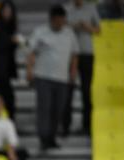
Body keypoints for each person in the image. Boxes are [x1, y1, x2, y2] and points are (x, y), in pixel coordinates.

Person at [27, 5, 79, 151]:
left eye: (62, 20)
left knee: (58, 109)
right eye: (56, 21)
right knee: (45, 108)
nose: (59, 23)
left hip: (62, 78)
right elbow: (31, 52)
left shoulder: (69, 34)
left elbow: (75, 54)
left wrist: (73, 71)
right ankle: (43, 138)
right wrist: (29, 70)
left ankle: (52, 137)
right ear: (51, 19)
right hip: (43, 76)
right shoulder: (40, 32)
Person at [64, 0, 100, 134]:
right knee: (68, 90)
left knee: (86, 90)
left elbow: (98, 30)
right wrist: (74, 26)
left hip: (87, 53)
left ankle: (87, 125)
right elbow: (61, 28)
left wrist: (86, 27)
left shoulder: (91, 8)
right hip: (69, 54)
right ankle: (66, 125)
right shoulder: (66, 9)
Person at [0, 1, 21, 120]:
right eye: (5, 11)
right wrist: (10, 41)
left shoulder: (11, 29)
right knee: (8, 98)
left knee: (8, 98)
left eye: (9, 11)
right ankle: (8, 122)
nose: (7, 13)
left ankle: (6, 122)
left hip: (6, 70)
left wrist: (15, 43)